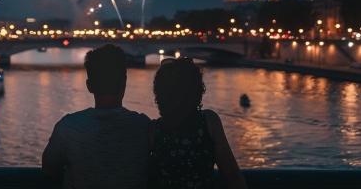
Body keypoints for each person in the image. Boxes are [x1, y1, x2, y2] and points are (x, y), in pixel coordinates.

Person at [42, 44, 150, 188]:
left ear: (89, 86)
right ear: (124, 82)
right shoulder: (145, 128)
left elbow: (49, 169)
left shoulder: (68, 127)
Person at [148, 58, 247, 189]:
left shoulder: (153, 131)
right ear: (197, 90)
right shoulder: (209, 122)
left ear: (159, 95)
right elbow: (232, 174)